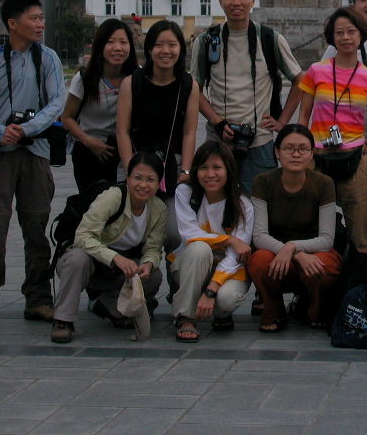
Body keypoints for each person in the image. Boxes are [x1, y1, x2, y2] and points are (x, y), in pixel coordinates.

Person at [0, 0, 67, 331]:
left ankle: (38, 299)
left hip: (35, 152)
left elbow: (57, 103)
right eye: (33, 18)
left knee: (36, 231)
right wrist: (0, 131)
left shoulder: (48, 58)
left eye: (41, 18)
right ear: (13, 23)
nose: (40, 24)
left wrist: (26, 129)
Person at [192, 0, 303, 193]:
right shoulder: (207, 41)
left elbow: (300, 80)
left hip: (259, 142)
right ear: (220, 1)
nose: (236, 2)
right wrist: (217, 122)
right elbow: (194, 88)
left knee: (259, 204)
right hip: (218, 141)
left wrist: (282, 121)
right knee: (216, 204)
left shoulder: (270, 39)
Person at [50, 151, 168, 343]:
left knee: (153, 275)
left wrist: (148, 263)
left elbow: (153, 249)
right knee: (76, 258)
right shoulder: (113, 196)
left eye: (150, 180)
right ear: (128, 178)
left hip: (118, 270)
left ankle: (105, 305)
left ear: (159, 183)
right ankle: (63, 319)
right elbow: (83, 235)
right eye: (137, 178)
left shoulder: (159, 208)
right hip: (90, 261)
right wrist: (114, 257)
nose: (143, 185)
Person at [299, 8, 367, 265]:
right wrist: (304, 153)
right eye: (339, 33)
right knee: (310, 225)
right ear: (332, 37)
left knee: (360, 233)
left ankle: (365, 280)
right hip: (317, 157)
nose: (346, 37)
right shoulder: (316, 71)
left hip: (355, 159)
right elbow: (303, 116)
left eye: (351, 31)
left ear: (361, 35)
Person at [248, 124, 341, 332]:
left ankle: (315, 307)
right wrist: (292, 253)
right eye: (289, 148)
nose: (296, 154)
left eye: (303, 149)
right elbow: (259, 236)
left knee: (325, 265)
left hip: (313, 252)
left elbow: (327, 239)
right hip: (276, 255)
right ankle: (274, 308)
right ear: (277, 152)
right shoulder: (262, 182)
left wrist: (293, 248)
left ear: (311, 153)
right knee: (259, 261)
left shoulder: (324, 183)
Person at [117, 20, 199, 250]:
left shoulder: (188, 85)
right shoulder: (131, 83)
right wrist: (130, 170)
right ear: (149, 49)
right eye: (159, 45)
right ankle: (137, 271)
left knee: (174, 234)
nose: (166, 51)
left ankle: (175, 272)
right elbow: (122, 130)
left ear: (181, 48)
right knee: (131, 234)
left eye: (172, 45)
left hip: (172, 165)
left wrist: (186, 170)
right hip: (136, 162)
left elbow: (190, 132)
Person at [169, 141, 254, 342]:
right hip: (191, 263)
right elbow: (189, 234)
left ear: (229, 170)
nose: (210, 174)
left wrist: (211, 290)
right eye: (204, 168)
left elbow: (237, 255)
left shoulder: (242, 204)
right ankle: (185, 317)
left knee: (226, 299)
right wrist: (229, 239)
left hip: (227, 270)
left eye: (217, 167)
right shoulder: (186, 193)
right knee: (199, 248)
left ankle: (220, 312)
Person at [61, 18, 138, 193]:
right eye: (110, 42)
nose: (117, 48)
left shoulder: (136, 77)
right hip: (90, 153)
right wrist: (89, 141)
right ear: (100, 46)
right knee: (92, 204)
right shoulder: (85, 79)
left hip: (124, 152)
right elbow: (67, 118)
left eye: (123, 42)